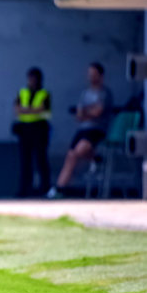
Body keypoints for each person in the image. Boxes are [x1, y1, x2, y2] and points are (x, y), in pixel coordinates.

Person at [47, 62, 113, 198]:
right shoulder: (85, 93)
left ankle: (96, 158)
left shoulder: (104, 93)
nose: (91, 77)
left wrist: (86, 112)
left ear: (100, 76)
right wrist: (88, 111)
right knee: (71, 156)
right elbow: (79, 115)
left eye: (94, 74)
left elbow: (97, 113)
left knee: (80, 151)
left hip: (96, 130)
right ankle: (60, 188)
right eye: (90, 74)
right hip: (82, 130)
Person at [12, 67, 52, 197]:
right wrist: (32, 110)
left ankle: (44, 188)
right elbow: (17, 109)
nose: (32, 81)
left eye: (34, 78)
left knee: (41, 160)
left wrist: (27, 110)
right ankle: (24, 189)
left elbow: (41, 109)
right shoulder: (22, 92)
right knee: (25, 161)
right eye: (30, 78)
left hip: (40, 129)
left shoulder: (44, 93)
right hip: (25, 130)